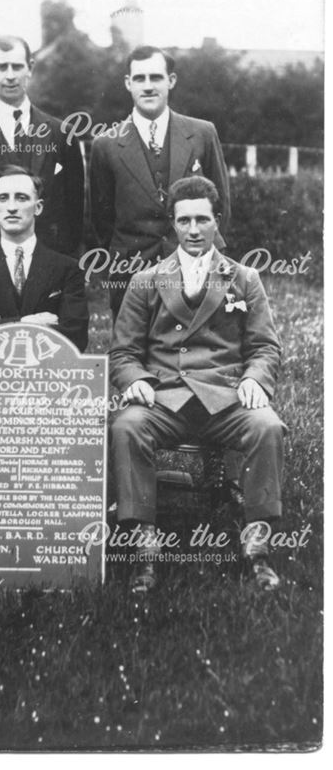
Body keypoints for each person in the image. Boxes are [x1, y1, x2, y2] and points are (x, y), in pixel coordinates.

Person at [108, 176, 284, 594]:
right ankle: (145, 549)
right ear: (172, 223)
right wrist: (136, 381)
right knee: (126, 428)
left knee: (268, 428)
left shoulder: (243, 278)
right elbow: (123, 353)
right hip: (164, 399)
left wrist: (255, 379)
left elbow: (265, 346)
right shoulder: (147, 280)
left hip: (225, 400)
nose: (193, 230)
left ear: (216, 220)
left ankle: (257, 550)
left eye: (202, 219)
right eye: (183, 220)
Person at [89, 45, 230, 321]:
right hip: (131, 270)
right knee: (131, 356)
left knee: (199, 353)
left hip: (196, 265)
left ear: (171, 81)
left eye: (156, 77)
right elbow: (102, 219)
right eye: (140, 78)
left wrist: (202, 253)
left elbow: (221, 205)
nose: (148, 86)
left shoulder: (202, 133)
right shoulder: (105, 144)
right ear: (128, 84)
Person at [0, 35, 85, 260]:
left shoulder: (61, 134)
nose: (10, 76)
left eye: (17, 66)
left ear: (30, 68)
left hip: (50, 262)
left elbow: (74, 209)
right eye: (2, 67)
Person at [0, 165, 88, 352]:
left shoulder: (67, 269)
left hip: (50, 375)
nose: (12, 207)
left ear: (38, 207)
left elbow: (76, 336)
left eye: (22, 198)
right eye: (3, 198)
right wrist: (28, 323)